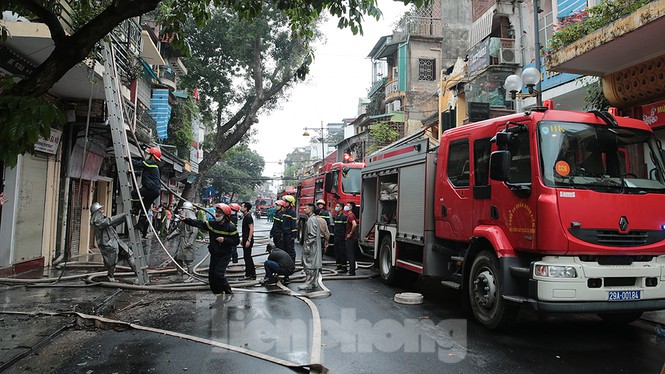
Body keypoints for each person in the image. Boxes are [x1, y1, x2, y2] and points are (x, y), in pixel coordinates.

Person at [180, 203, 239, 303]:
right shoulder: (212, 224)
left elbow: (236, 241)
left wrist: (224, 239)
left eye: (220, 213)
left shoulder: (231, 228)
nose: (217, 214)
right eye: (217, 212)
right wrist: (186, 220)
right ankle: (218, 298)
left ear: (225, 215)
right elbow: (198, 223)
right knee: (212, 278)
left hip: (225, 255)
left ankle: (229, 293)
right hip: (214, 254)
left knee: (218, 274)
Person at [90, 202, 138, 282]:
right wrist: (125, 215)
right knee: (111, 263)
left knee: (129, 254)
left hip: (115, 242)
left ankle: (139, 274)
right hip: (108, 245)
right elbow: (111, 221)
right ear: (97, 211)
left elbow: (115, 221)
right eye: (101, 209)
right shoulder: (98, 222)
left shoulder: (102, 219)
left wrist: (126, 216)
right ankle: (110, 277)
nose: (103, 210)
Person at [129, 147, 162, 235]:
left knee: (135, 193)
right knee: (145, 207)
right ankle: (140, 225)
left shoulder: (150, 163)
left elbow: (138, 164)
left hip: (150, 189)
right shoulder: (153, 166)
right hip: (155, 191)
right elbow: (144, 172)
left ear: (152, 156)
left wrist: (128, 158)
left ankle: (135, 209)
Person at [166, 202, 198, 282]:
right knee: (178, 258)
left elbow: (194, 233)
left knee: (188, 260)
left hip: (188, 242)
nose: (182, 211)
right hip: (182, 241)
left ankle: (191, 276)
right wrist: (170, 236)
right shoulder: (183, 220)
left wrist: (189, 243)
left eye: (183, 209)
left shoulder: (193, 221)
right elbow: (178, 229)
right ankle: (179, 275)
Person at [299, 203, 322, 291]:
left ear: (311, 210)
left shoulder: (311, 220)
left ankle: (308, 283)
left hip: (311, 246)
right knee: (313, 263)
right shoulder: (313, 219)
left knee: (310, 264)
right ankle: (314, 282)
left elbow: (311, 235)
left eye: (306, 208)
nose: (304, 209)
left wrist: (307, 246)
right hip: (314, 245)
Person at [239, 202, 256, 280]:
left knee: (247, 257)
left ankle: (248, 274)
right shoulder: (245, 216)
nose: (240, 207)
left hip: (248, 239)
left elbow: (251, 229)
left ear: (246, 208)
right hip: (245, 238)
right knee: (247, 257)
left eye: (242, 206)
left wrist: (248, 240)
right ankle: (252, 274)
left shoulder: (248, 217)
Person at [281, 195, 298, 263]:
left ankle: (292, 264)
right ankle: (286, 264)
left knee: (290, 250)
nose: (285, 203)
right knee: (285, 250)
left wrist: (293, 235)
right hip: (284, 234)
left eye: (286, 202)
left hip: (289, 235)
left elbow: (294, 224)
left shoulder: (292, 212)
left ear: (291, 203)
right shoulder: (285, 211)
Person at [333, 202, 348, 273]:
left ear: (341, 208)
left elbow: (346, 228)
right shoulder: (336, 216)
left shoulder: (344, 217)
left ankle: (344, 267)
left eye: (337, 206)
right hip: (336, 237)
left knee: (342, 253)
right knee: (337, 252)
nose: (336, 207)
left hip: (342, 238)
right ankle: (338, 266)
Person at [344, 202, 358, 276]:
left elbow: (354, 224)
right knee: (350, 254)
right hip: (350, 238)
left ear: (351, 208)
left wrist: (350, 234)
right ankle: (351, 270)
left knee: (350, 255)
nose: (345, 206)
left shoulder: (350, 216)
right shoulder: (350, 215)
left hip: (350, 238)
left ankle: (352, 271)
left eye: (347, 205)